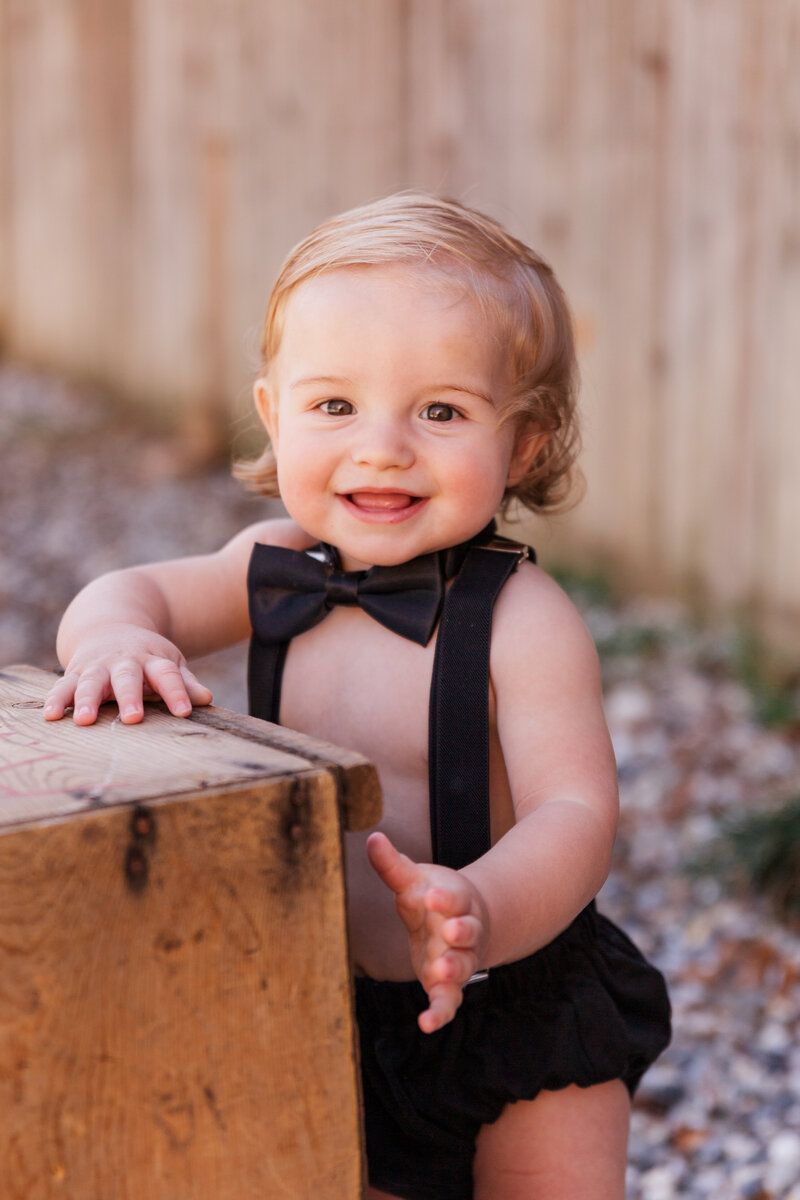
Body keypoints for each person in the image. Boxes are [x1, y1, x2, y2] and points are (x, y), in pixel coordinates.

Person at [44, 193, 670, 1200]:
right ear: (273, 412)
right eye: (334, 406)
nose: (381, 447)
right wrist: (117, 635)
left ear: (523, 447)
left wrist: (483, 907)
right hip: (319, 998)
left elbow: (576, 811)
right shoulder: (271, 563)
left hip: (509, 1001)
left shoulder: (522, 616)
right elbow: (130, 593)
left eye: (439, 411)